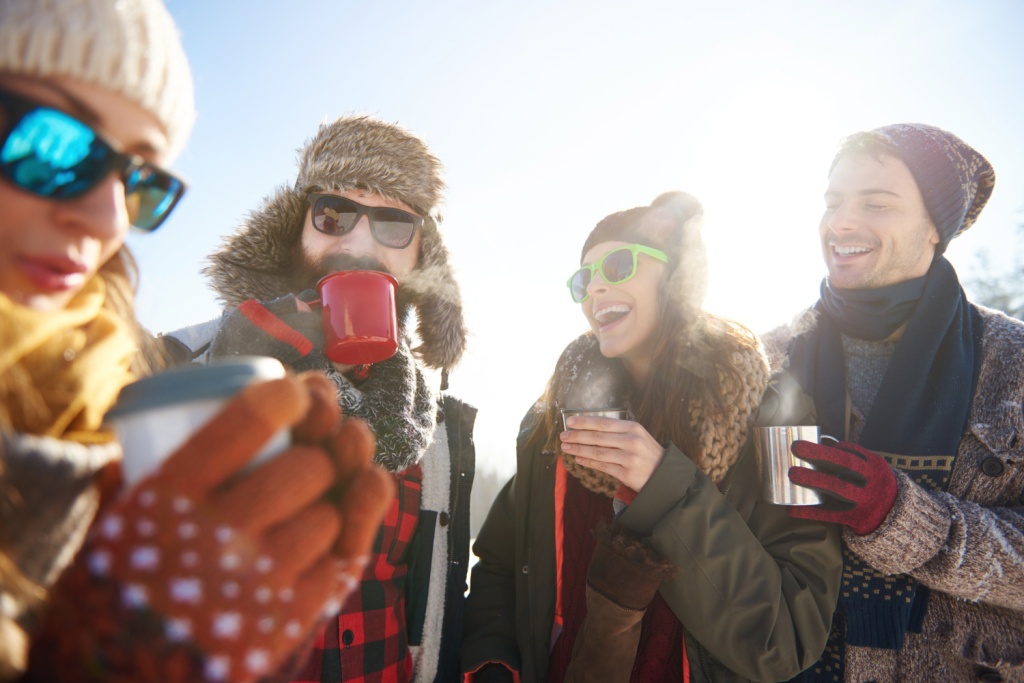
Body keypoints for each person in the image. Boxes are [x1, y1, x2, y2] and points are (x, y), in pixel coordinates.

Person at [0, 1, 393, 681]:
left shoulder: (109, 392)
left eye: (136, 180)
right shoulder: (175, 372)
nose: (104, 217)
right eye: (55, 144)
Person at [462, 192, 841, 683]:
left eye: (618, 265)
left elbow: (789, 636)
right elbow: (501, 564)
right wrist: (495, 666)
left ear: (678, 277)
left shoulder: (781, 417)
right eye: (584, 278)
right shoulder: (551, 422)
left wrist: (666, 487)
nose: (596, 287)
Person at [160, 114, 477, 683]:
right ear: (296, 229)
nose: (357, 244)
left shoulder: (436, 426)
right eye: (333, 214)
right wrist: (221, 386)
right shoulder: (181, 365)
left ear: (421, 256)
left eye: (394, 225)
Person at [760, 123, 1024, 682]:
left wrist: (903, 519)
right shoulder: (767, 358)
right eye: (834, 201)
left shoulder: (1013, 364)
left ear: (935, 227)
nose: (841, 222)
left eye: (876, 203)